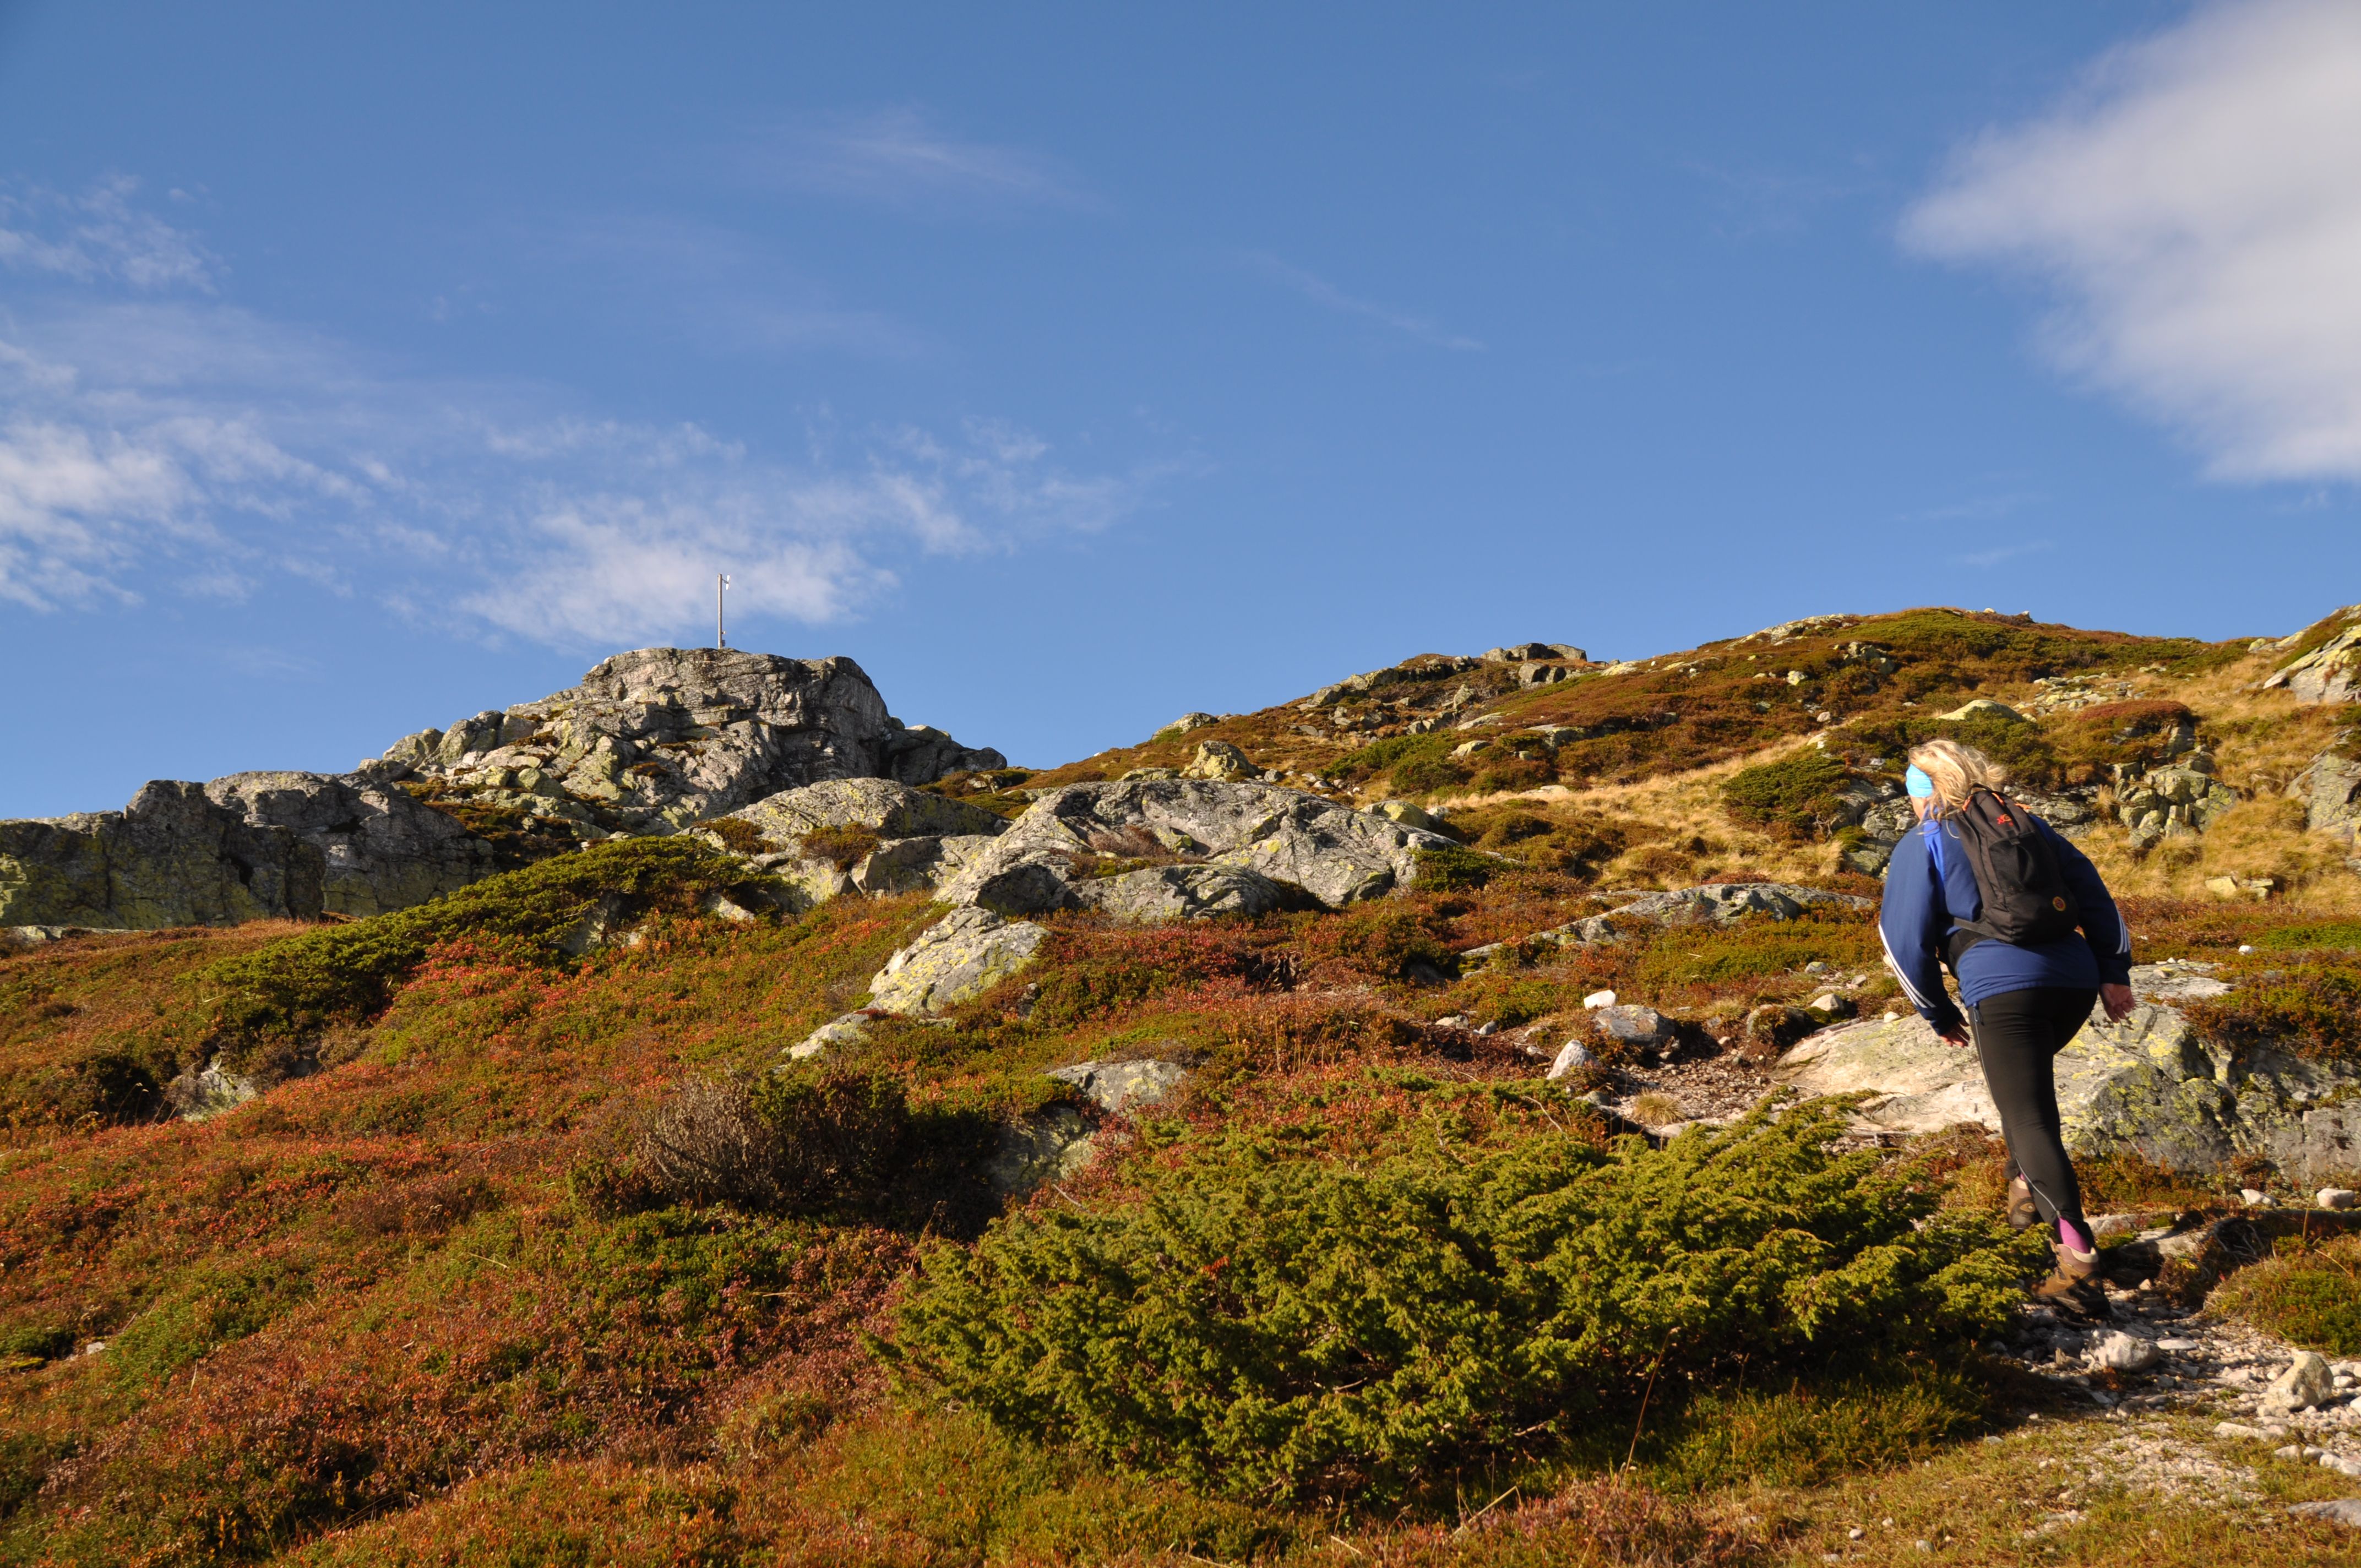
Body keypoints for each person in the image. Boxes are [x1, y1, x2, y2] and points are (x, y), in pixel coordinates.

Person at [1877, 737, 2136, 1319]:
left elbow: (1901, 941)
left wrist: (1936, 1011)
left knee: (2027, 1116)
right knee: (2024, 1097)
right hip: (2073, 983)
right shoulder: (2029, 825)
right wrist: (2112, 971)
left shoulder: (1924, 840)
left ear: (1920, 793)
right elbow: (2094, 894)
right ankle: (2023, 1185)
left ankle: (2078, 1265)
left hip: (2002, 990)